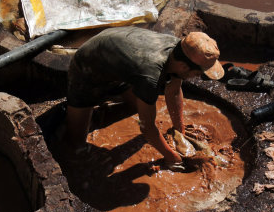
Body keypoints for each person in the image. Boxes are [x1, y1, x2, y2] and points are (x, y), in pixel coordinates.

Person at [64, 26, 224, 171]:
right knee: (77, 144)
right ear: (184, 67)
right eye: (197, 74)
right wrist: (171, 157)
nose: (196, 78)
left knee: (136, 107)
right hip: (87, 67)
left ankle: (111, 94)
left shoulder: (180, 52)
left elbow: (174, 91)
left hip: (120, 62)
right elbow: (146, 127)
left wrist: (179, 130)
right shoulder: (150, 76)